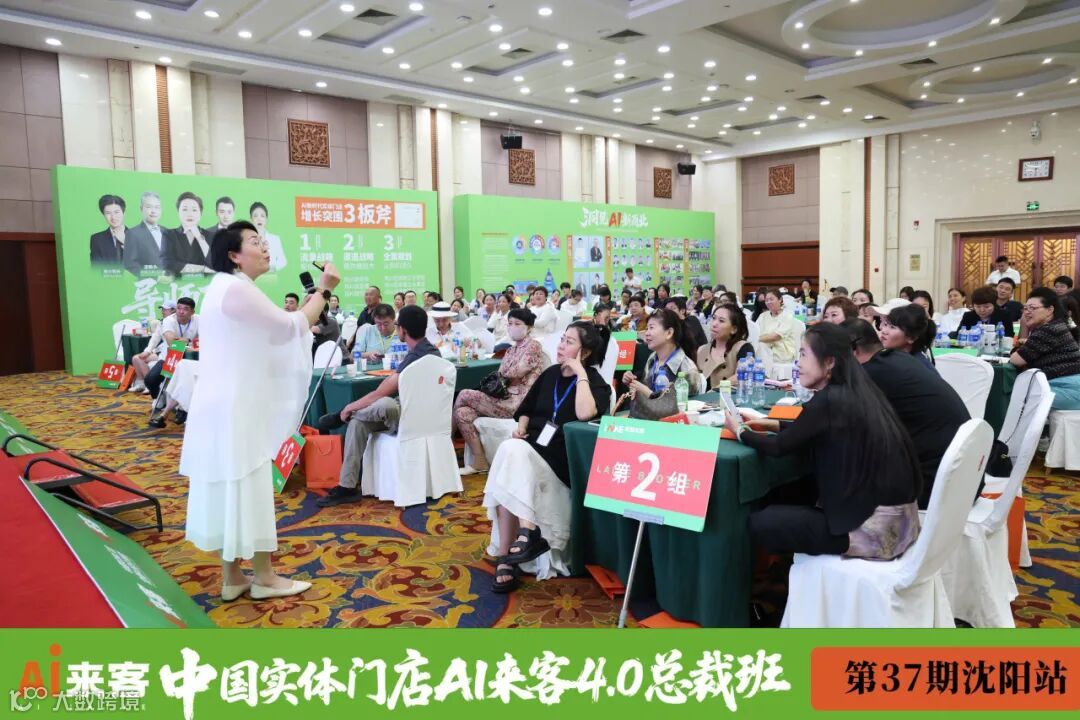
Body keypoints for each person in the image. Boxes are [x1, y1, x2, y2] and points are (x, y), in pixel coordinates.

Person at [181, 222, 336, 600]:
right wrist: (325, 289)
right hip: (237, 408)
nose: (264, 247)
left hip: (223, 404)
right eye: (254, 242)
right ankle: (264, 578)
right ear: (234, 255)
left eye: (263, 240)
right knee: (248, 484)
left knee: (232, 487)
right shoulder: (236, 289)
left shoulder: (224, 288)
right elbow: (291, 327)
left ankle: (233, 576)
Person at [727, 323, 922, 558]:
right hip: (901, 521)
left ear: (829, 362)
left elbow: (779, 447)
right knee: (791, 493)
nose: (798, 363)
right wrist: (769, 423)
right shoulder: (858, 390)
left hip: (873, 532)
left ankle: (771, 575)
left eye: (803, 354)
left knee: (761, 521)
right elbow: (809, 429)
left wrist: (740, 431)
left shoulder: (829, 401)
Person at [483, 322, 612, 590]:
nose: (560, 346)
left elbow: (585, 413)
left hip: (559, 463)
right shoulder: (550, 373)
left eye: (569, 342)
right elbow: (526, 409)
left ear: (585, 352)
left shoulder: (596, 384)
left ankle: (513, 550)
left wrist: (580, 373)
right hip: (530, 450)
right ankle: (521, 540)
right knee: (512, 451)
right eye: (562, 339)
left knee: (511, 452)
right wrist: (521, 428)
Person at [317, 305, 439, 508]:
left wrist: (348, 408)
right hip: (420, 415)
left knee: (384, 403)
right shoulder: (432, 351)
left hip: (411, 417)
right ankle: (347, 486)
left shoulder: (416, 357)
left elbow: (380, 392)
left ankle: (341, 415)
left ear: (402, 330)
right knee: (358, 424)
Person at [844, 319, 971, 508]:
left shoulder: (871, 374)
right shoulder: (899, 359)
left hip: (934, 488)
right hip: (964, 479)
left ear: (852, 350)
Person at [455, 308, 546, 475]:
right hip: (503, 398)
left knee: (464, 394)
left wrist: (508, 374)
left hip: (518, 403)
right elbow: (502, 374)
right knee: (462, 413)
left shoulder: (533, 346)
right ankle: (479, 461)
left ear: (529, 327)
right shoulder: (511, 350)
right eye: (510, 323)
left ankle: (447, 439)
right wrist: (508, 374)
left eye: (517, 324)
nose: (512, 327)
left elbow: (516, 371)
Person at [1010, 288, 1080, 410]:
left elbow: (1016, 360)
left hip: (1070, 389)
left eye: (1032, 308)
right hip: (1063, 385)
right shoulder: (1054, 326)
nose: (1027, 312)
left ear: (1050, 310)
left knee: (1018, 395)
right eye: (1025, 308)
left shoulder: (1050, 329)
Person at [623, 309, 703, 397]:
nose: (646, 333)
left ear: (669, 333)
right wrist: (632, 382)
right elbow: (645, 388)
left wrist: (649, 394)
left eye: (651, 328)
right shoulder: (652, 358)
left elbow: (686, 403)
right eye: (647, 328)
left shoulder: (687, 368)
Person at [146, 296, 200, 415]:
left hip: (190, 360)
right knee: (150, 380)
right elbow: (172, 342)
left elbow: (205, 339)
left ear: (192, 312)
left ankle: (183, 407)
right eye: (179, 308)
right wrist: (189, 340)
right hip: (170, 357)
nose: (181, 311)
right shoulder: (169, 320)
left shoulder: (198, 320)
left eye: (185, 309)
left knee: (188, 381)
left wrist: (184, 340)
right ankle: (159, 396)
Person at [697, 304, 754, 389]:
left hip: (730, 396)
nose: (714, 324)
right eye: (713, 318)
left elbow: (742, 376)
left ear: (734, 329)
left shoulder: (743, 347)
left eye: (721, 321)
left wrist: (715, 390)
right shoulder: (702, 350)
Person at [129, 300, 175, 394]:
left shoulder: (176, 322)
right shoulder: (162, 322)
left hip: (169, 353)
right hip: (160, 351)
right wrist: (147, 351)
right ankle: (141, 384)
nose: (162, 311)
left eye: (165, 309)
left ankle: (150, 385)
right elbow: (155, 338)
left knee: (139, 359)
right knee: (136, 358)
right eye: (162, 309)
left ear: (173, 310)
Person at [163, 191, 212, 277]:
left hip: (205, 284)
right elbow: (167, 263)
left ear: (200, 213)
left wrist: (199, 238)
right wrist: (202, 269)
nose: (189, 214)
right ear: (178, 212)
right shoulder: (169, 234)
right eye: (185, 209)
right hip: (177, 283)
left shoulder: (210, 235)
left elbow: (215, 263)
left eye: (194, 210)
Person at [878, 303, 936, 368]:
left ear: (911, 337)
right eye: (886, 324)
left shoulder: (918, 367)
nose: (884, 331)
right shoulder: (889, 356)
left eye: (892, 327)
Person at [123, 191, 165, 276]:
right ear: (141, 209)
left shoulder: (168, 232)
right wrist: (156, 276)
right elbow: (130, 265)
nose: (153, 211)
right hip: (149, 283)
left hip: (172, 282)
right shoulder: (132, 234)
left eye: (157, 207)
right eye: (149, 207)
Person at [756, 289, 799, 364]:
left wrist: (756, 339)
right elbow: (755, 331)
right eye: (766, 300)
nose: (768, 302)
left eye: (771, 299)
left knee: (761, 346)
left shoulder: (787, 316)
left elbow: (775, 336)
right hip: (764, 349)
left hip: (782, 353)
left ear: (780, 299)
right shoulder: (762, 316)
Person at [90, 194, 127, 265]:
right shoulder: (97, 239)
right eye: (108, 213)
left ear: (124, 213)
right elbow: (96, 268)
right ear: (103, 215)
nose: (113, 217)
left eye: (116, 212)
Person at [249, 202, 286, 272]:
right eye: (255, 216)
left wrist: (271, 268)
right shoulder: (246, 240)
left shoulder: (275, 239)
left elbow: (283, 261)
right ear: (251, 219)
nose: (259, 219)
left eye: (262, 216)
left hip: (271, 276)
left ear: (266, 219)